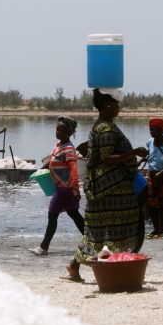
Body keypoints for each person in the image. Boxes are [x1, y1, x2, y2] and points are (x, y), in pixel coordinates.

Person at [61, 88, 148, 282]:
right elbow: (107, 158)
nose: (118, 107)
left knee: (97, 231)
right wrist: (134, 152)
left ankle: (75, 265)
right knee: (116, 229)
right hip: (111, 190)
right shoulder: (107, 128)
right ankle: (116, 268)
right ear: (108, 105)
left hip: (99, 188)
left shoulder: (99, 125)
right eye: (116, 104)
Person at [29, 116, 85, 256]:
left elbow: (73, 169)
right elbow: (52, 160)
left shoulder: (69, 150)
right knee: (75, 215)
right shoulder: (59, 145)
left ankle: (43, 247)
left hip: (65, 189)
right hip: (62, 188)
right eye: (57, 129)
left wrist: (76, 189)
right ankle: (94, 242)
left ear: (68, 133)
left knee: (52, 215)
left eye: (61, 130)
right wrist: (40, 169)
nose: (58, 132)